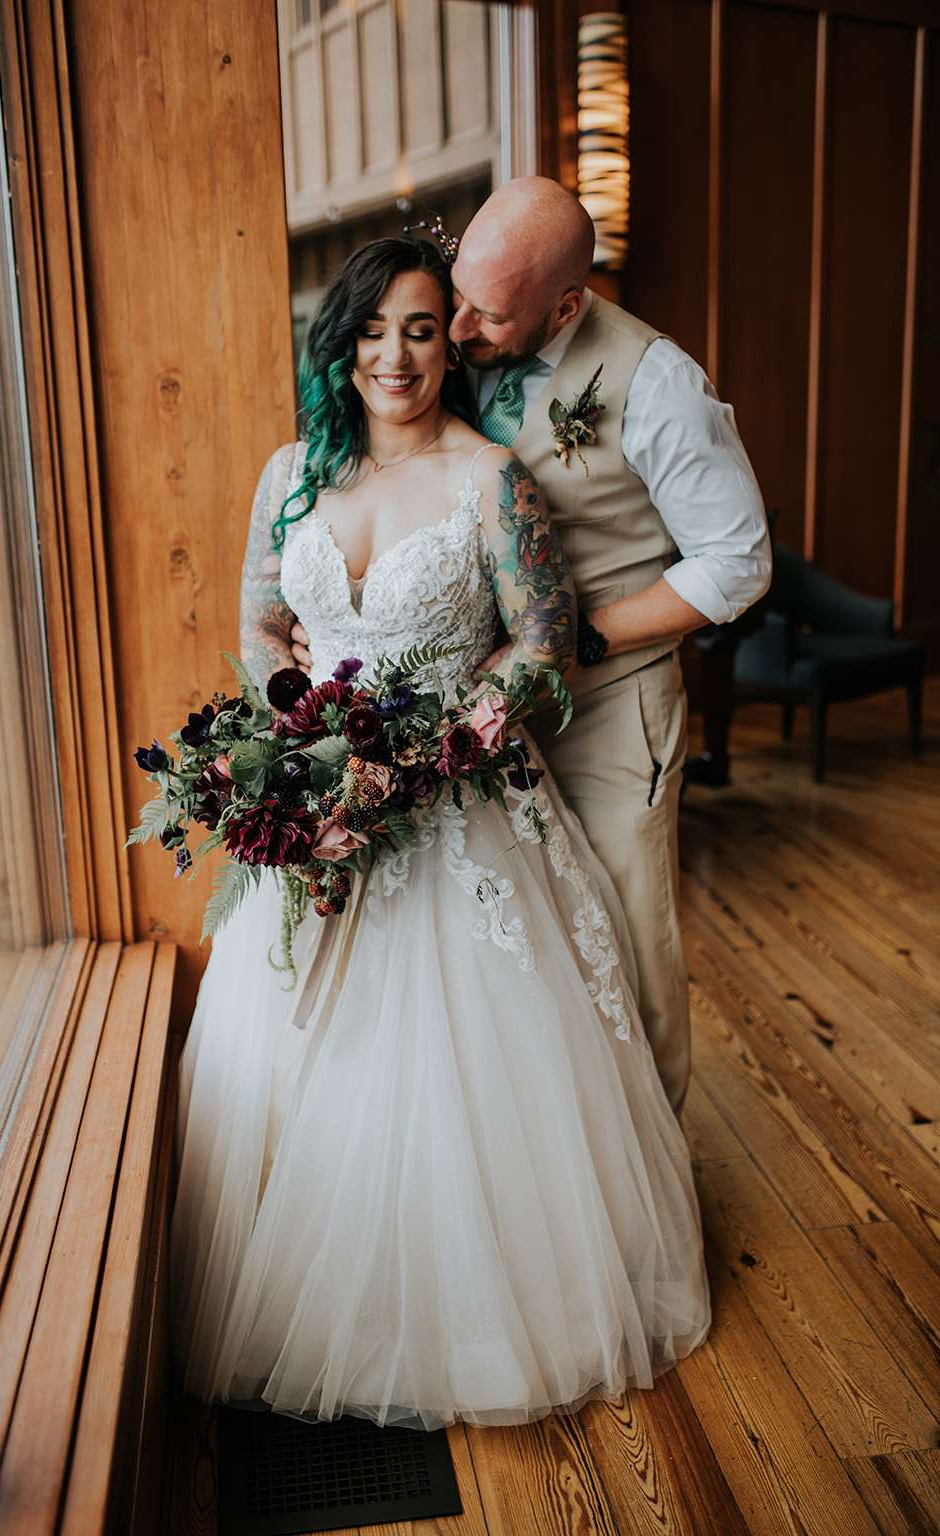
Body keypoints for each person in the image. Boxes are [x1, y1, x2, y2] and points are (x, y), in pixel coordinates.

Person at [171, 235, 711, 1431]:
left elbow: (539, 641)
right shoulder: (290, 474)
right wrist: (296, 729)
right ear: (341, 343)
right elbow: (259, 621)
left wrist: (434, 746)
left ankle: (479, 1304)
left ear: (448, 346)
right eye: (372, 330)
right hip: (320, 795)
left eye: (420, 329)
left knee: (464, 1077)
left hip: (458, 801)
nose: (395, 355)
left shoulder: (490, 478)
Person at [292, 180, 771, 1114]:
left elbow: (739, 563)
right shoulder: (462, 334)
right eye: (458, 299)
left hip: (605, 708)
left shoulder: (657, 383)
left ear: (564, 306)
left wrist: (575, 638)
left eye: (488, 315)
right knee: (517, 962)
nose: (459, 328)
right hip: (465, 710)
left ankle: (652, 1164)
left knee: (621, 943)